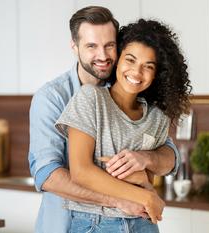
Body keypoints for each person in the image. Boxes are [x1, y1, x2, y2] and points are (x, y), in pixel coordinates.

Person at [28, 6, 181, 233]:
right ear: (75, 47)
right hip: (67, 223)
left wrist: (145, 159)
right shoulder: (52, 97)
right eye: (91, 46)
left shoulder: (131, 90)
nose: (102, 55)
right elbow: (48, 175)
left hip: (138, 221)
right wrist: (122, 198)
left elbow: (167, 156)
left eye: (109, 45)